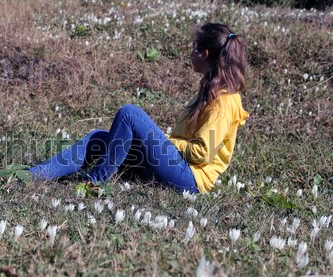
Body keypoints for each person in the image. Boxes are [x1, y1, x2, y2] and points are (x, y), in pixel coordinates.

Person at [29, 22, 249, 194]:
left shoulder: (224, 101)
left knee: (130, 114)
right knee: (99, 139)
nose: (191, 53)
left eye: (194, 48)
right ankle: (32, 176)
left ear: (205, 54)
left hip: (190, 178)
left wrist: (164, 141)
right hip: (176, 165)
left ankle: (94, 182)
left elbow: (202, 153)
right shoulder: (211, 90)